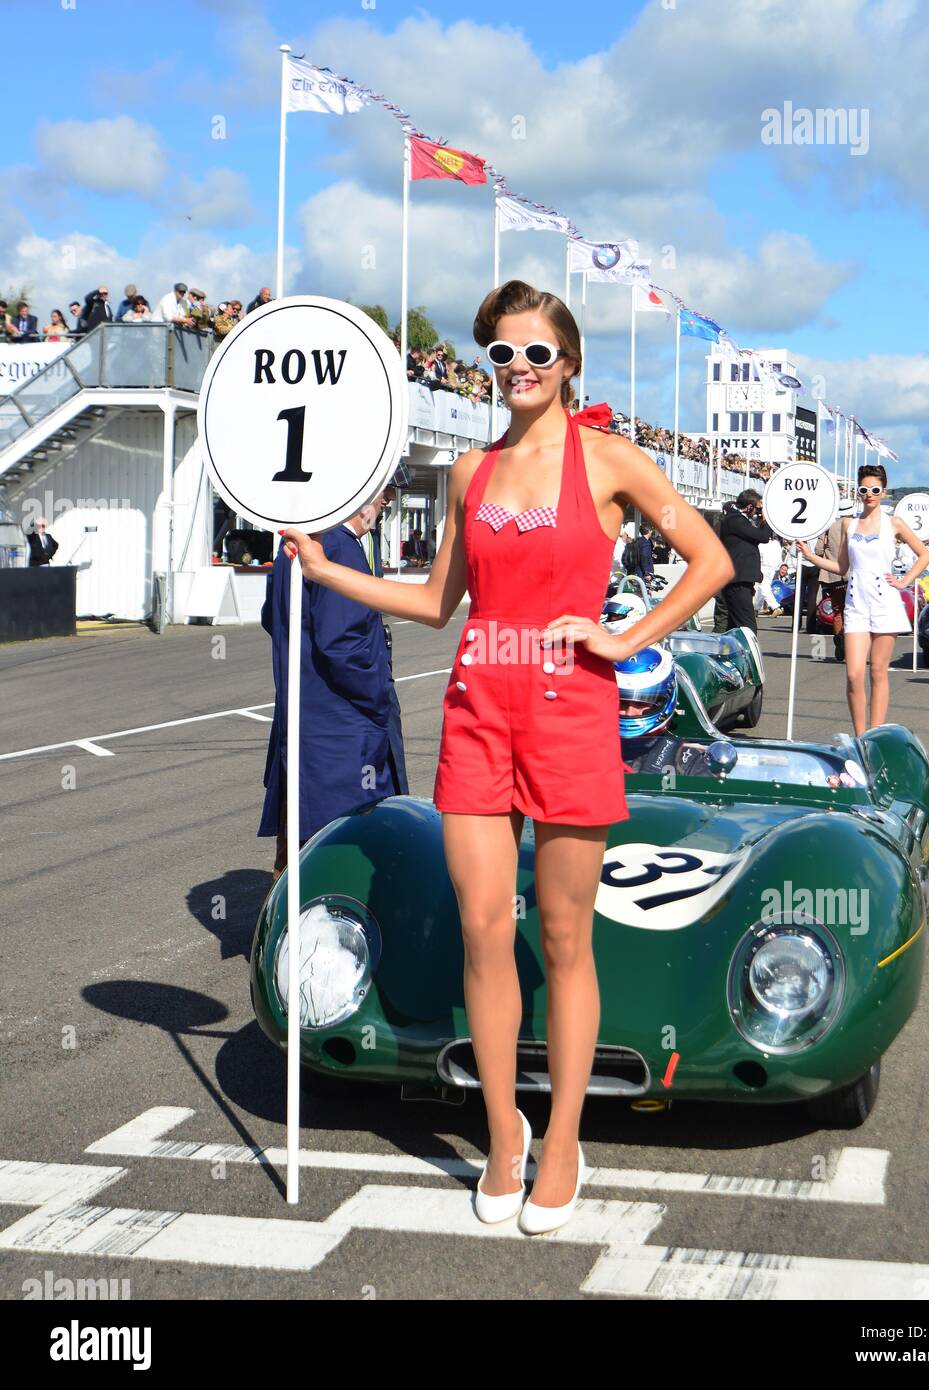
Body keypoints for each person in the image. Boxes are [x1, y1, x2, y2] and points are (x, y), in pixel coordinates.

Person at [280, 278, 733, 1234]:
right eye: (501, 354)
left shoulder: (611, 460)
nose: (518, 368)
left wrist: (628, 635)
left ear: (568, 363)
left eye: (536, 353)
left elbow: (712, 561)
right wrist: (329, 571)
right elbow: (440, 601)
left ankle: (564, 1139)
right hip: (479, 711)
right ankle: (504, 1131)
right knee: (486, 931)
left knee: (566, 939)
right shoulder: (467, 474)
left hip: (572, 715)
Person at [259, 490, 407, 880]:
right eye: (382, 497)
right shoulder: (338, 546)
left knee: (298, 846)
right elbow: (343, 644)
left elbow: (272, 618)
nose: (384, 506)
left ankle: (286, 928)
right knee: (348, 850)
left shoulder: (295, 545)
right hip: (342, 728)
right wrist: (379, 701)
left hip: (303, 721)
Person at [797, 464, 929, 736]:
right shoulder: (850, 524)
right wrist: (811, 557)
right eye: (864, 489)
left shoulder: (894, 523)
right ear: (858, 491)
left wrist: (904, 582)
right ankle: (860, 737)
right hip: (856, 603)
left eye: (874, 489)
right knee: (854, 674)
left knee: (878, 672)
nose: (869, 494)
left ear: (883, 491)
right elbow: (842, 567)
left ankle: (875, 735)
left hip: (885, 602)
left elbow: (925, 554)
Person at [719, 488, 772, 633]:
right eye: (757, 508)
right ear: (749, 506)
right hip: (738, 580)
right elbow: (763, 537)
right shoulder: (735, 520)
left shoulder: (737, 520)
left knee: (735, 626)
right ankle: (749, 654)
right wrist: (766, 521)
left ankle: (729, 654)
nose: (758, 511)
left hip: (740, 580)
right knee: (748, 626)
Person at [814, 498, 855, 661]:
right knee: (854, 610)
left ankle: (840, 643)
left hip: (832, 574)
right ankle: (852, 645)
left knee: (837, 610)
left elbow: (817, 550)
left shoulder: (829, 527)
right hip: (852, 573)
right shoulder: (855, 524)